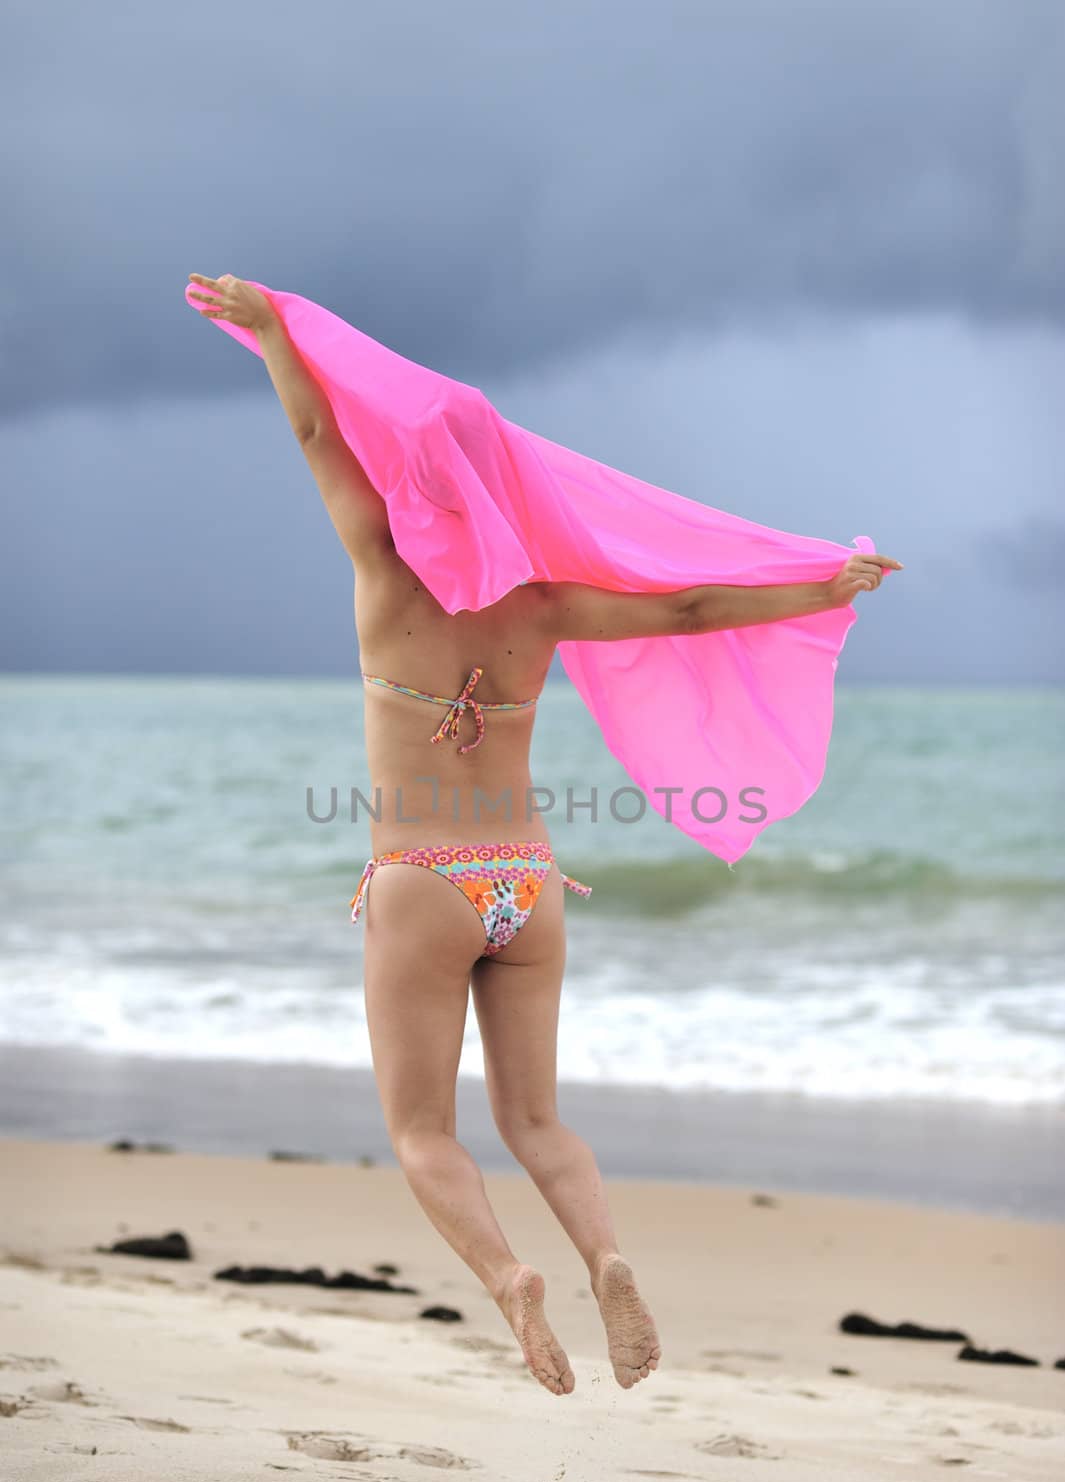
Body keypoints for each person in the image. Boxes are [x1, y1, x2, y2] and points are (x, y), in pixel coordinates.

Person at [188, 272, 901, 1397]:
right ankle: (606, 1256)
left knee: (425, 1131)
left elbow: (320, 427)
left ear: (413, 478)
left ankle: (512, 1278)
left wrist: (275, 330)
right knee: (538, 1119)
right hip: (527, 878)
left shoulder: (381, 564)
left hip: (423, 876)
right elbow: (686, 607)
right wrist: (820, 587)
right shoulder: (543, 602)